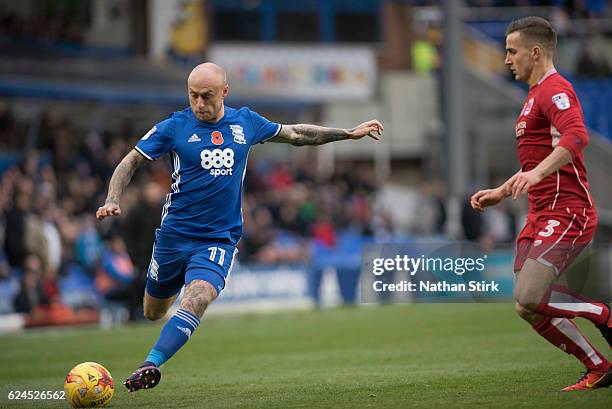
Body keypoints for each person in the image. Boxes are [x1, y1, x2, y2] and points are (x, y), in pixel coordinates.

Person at [96, 62, 383, 392]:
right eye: (193, 97)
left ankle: (151, 363)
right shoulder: (174, 127)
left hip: (218, 238)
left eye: (207, 96)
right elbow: (131, 160)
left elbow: (298, 134)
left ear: (225, 93)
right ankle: (163, 309)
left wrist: (347, 133)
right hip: (174, 237)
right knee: (153, 310)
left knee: (198, 297)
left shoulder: (245, 121)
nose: (199, 104)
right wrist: (112, 198)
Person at [470, 16, 611, 391]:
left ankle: (602, 313)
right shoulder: (532, 96)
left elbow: (577, 135)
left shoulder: (554, 89)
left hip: (568, 209)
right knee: (526, 307)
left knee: (530, 296)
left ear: (535, 52)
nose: (505, 60)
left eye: (511, 51)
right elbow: (537, 159)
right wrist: (503, 189)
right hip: (540, 212)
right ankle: (599, 365)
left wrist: (535, 176)